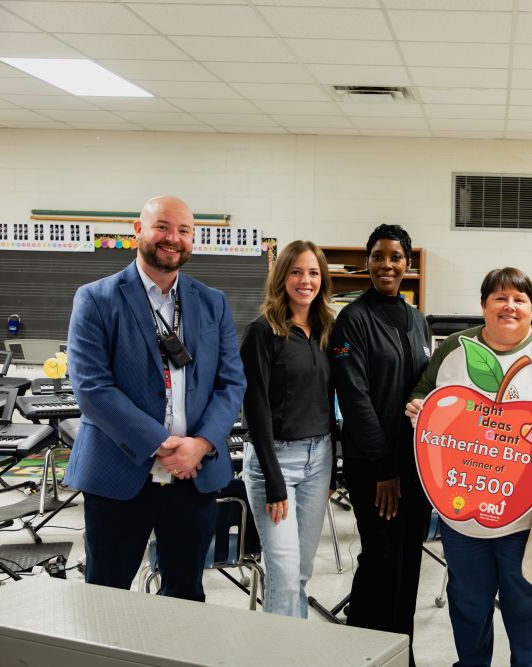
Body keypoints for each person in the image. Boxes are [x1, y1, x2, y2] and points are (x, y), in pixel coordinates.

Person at [406, 267, 532, 667]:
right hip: (462, 512)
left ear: (531, 308)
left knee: (529, 604)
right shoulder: (456, 348)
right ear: (483, 305)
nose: (510, 306)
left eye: (519, 299)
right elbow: (425, 393)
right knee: (468, 603)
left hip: (528, 512)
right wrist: (418, 408)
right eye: (499, 298)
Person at [67, 195, 245, 601]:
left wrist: (201, 444)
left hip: (193, 476)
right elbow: (92, 388)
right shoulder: (96, 298)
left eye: (184, 230)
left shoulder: (212, 302)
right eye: (163, 226)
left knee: (185, 596)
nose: (173, 238)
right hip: (118, 473)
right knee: (106, 597)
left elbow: (232, 383)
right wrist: (162, 444)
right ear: (138, 230)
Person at [330, 224, 433, 664]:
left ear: (407, 263)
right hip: (374, 467)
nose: (386, 265)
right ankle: (364, 653)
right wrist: (384, 468)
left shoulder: (417, 321)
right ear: (367, 262)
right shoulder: (353, 319)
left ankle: (400, 652)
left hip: (416, 466)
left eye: (395, 257)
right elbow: (355, 399)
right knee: (381, 559)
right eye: (377, 256)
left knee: (409, 561)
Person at [240, 240, 335, 618]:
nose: (305, 280)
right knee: (283, 573)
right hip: (274, 461)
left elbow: (329, 401)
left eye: (313, 272)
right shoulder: (262, 332)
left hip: (319, 459)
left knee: (301, 573)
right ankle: (281, 647)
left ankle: (293, 645)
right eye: (296, 272)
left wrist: (333, 467)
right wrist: (274, 479)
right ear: (281, 277)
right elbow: (255, 409)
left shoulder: (326, 330)